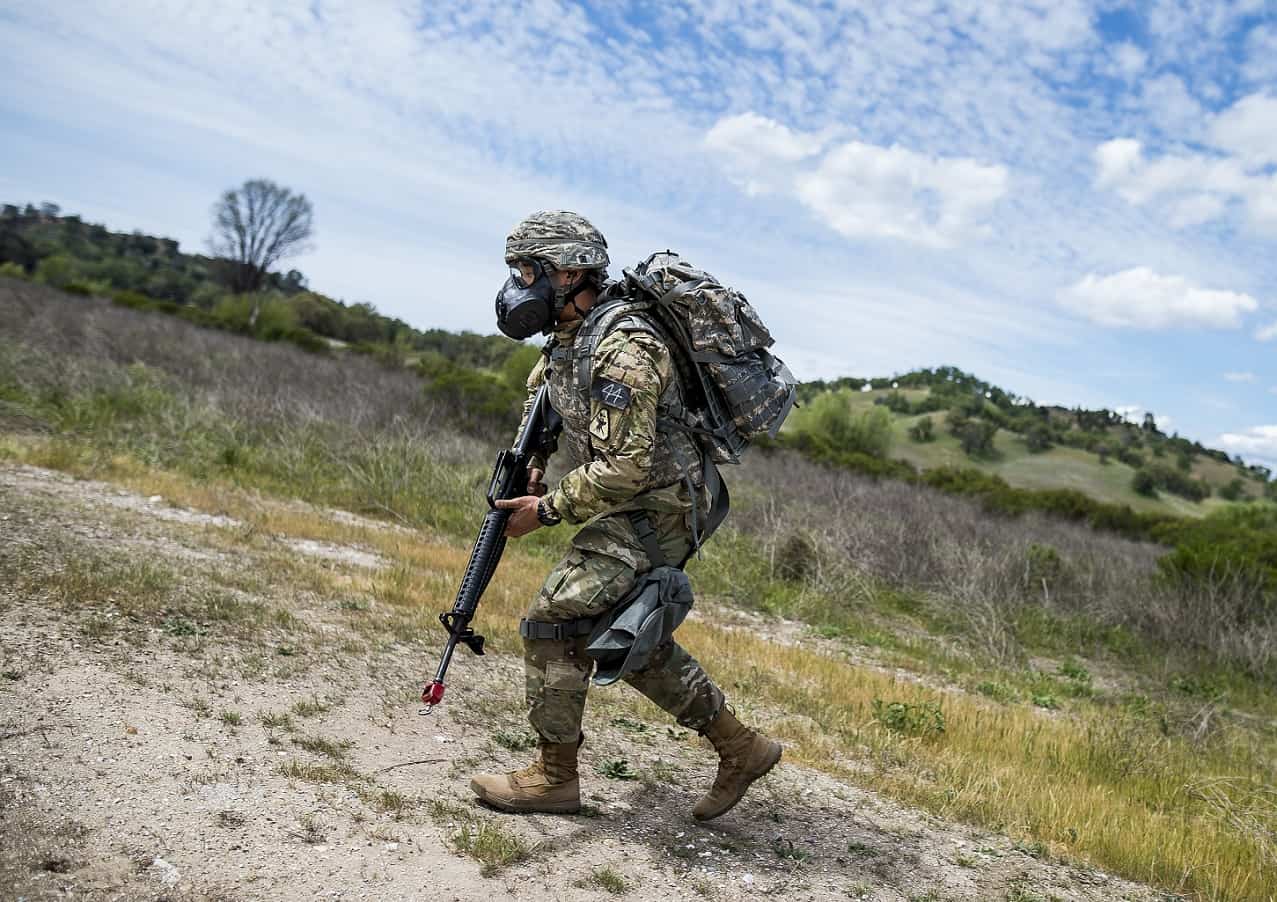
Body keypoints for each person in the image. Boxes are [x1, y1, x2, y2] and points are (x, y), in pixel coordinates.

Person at [469, 211, 780, 821]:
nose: (518, 284)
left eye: (528, 269)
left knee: (555, 616)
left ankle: (554, 779)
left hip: (659, 506)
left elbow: (625, 468)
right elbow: (547, 411)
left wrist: (548, 508)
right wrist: (532, 467)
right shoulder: (567, 342)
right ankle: (741, 747)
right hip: (636, 500)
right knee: (612, 632)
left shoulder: (625, 350)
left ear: (568, 272)